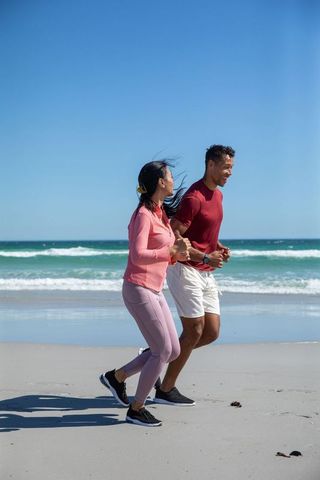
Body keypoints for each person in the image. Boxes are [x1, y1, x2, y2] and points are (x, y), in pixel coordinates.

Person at [99, 160, 191, 426]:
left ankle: (117, 377)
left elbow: (162, 255)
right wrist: (170, 252)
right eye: (170, 176)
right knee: (161, 350)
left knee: (172, 350)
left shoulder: (160, 213)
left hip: (154, 289)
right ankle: (136, 409)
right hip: (138, 288)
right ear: (161, 182)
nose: (173, 180)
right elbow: (138, 256)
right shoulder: (142, 215)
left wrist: (177, 254)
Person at [153, 145, 235, 406]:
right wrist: (204, 256)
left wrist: (216, 246)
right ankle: (165, 389)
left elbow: (202, 232)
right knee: (194, 330)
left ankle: (154, 356)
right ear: (211, 165)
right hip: (185, 269)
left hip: (205, 272)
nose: (229, 173)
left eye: (231, 168)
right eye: (226, 167)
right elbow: (175, 235)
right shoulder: (194, 197)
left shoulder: (218, 196)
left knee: (211, 332)